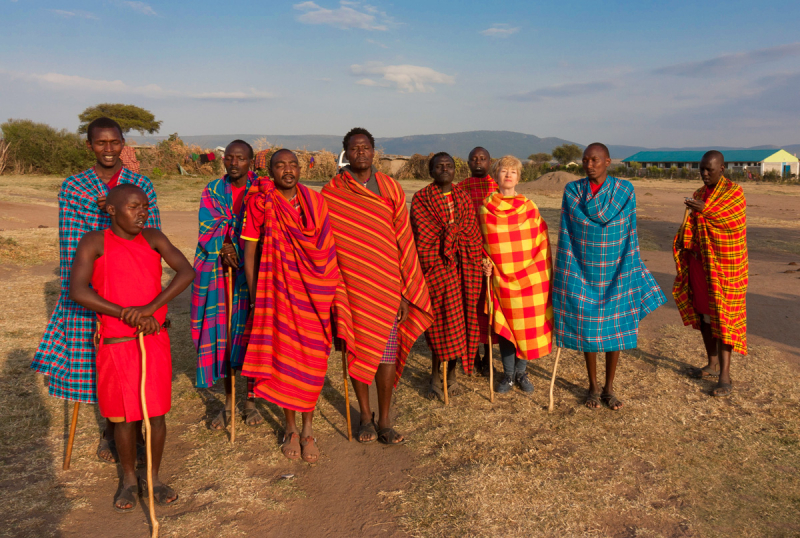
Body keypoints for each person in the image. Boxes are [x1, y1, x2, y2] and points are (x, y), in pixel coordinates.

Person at [31, 117, 161, 464]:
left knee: (136, 361)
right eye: (100, 143)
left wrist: (152, 304)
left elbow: (153, 239)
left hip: (134, 288)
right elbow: (71, 244)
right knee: (100, 363)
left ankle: (136, 430)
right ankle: (110, 430)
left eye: (114, 142)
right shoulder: (74, 188)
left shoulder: (140, 184)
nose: (108, 149)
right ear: (89, 146)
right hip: (97, 288)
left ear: (123, 144)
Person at [68, 184, 194, 512]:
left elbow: (186, 271)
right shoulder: (94, 243)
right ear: (111, 210)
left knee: (156, 414)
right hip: (116, 343)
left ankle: (151, 477)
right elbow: (79, 291)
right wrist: (127, 314)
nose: (142, 213)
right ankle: (127, 479)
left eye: (145, 207)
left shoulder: (153, 237)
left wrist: (150, 309)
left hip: (153, 340)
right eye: (134, 207)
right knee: (124, 417)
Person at [241, 149, 354, 462]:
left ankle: (308, 428)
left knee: (313, 362)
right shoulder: (261, 202)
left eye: (292, 165)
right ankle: (291, 429)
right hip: (276, 293)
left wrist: (331, 290)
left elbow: (326, 250)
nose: (287, 170)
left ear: (300, 168)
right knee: (285, 360)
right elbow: (249, 253)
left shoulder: (316, 203)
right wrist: (255, 297)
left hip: (314, 294)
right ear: (271, 170)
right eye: (280, 165)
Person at [322, 127, 432, 445]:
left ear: (374, 152)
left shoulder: (390, 188)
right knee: (358, 351)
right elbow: (325, 241)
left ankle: (385, 420)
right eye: (354, 148)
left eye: (366, 147)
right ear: (346, 153)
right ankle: (365, 418)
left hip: (387, 286)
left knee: (386, 355)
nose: (361, 152)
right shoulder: (332, 192)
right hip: (351, 287)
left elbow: (403, 240)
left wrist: (404, 292)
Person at [553, 143, 666, 410]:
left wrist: (630, 264)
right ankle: (592, 387)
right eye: (585, 160)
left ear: (608, 162)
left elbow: (628, 231)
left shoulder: (625, 190)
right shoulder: (573, 190)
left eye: (595, 160)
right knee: (589, 328)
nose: (589, 165)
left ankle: (609, 388)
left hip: (617, 267)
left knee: (615, 327)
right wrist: (566, 267)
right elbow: (568, 233)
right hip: (582, 268)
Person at [191, 140, 263, 430]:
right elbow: (208, 225)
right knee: (224, 333)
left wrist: (242, 245)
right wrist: (225, 245)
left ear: (251, 161)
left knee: (252, 333)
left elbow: (269, 222)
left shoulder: (262, 189)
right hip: (223, 272)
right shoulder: (213, 190)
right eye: (229, 158)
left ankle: (251, 401)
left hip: (256, 269)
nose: (234, 163)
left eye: (241, 158)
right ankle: (229, 403)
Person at [673, 150, 747, 397]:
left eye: (709, 170)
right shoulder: (698, 194)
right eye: (701, 169)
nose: (704, 174)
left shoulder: (734, 193)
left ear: (722, 169)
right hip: (699, 263)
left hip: (726, 266)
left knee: (723, 317)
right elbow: (692, 226)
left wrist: (706, 210)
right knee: (705, 315)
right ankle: (712, 364)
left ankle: (725, 376)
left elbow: (732, 223)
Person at [411, 152, 484, 400]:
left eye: (449, 166)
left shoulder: (462, 198)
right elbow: (422, 236)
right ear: (430, 171)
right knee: (439, 323)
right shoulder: (422, 199)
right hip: (437, 269)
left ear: (455, 171)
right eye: (439, 166)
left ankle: (451, 376)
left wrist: (463, 249)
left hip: (465, 269)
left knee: (461, 322)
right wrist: (444, 249)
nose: (444, 169)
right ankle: (434, 377)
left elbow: (472, 234)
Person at [479, 155, 553, 394]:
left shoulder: (529, 207)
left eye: (513, 171)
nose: (508, 175)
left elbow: (541, 239)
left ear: (519, 177)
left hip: (530, 277)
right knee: (506, 327)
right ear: (496, 175)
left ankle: (522, 372)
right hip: (500, 278)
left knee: (526, 325)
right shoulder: (485, 208)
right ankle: (508, 375)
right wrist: (484, 262)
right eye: (503, 171)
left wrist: (540, 269)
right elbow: (482, 243)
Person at [454, 147, 497, 376]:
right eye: (474, 159)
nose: (478, 162)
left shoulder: (497, 188)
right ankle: (474, 354)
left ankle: (489, 355)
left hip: (492, 257)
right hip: (468, 255)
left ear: (490, 162)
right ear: (468, 163)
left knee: (489, 307)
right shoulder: (460, 189)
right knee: (469, 306)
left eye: (483, 159)